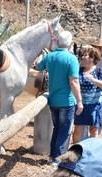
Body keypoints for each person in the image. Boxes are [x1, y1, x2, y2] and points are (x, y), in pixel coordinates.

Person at [35, 30, 84, 164]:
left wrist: (40, 58)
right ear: (70, 43)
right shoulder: (71, 59)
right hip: (67, 101)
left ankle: (53, 156)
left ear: (57, 41)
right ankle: (57, 159)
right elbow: (73, 81)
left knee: (57, 128)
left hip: (53, 100)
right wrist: (80, 101)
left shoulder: (50, 56)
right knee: (64, 131)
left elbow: (38, 66)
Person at [72, 46, 102, 143]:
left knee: (93, 131)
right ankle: (76, 152)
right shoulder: (78, 71)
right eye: (81, 55)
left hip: (95, 105)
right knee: (77, 130)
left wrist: (93, 80)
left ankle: (92, 153)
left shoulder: (99, 71)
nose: (82, 57)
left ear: (92, 58)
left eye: (85, 55)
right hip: (80, 105)